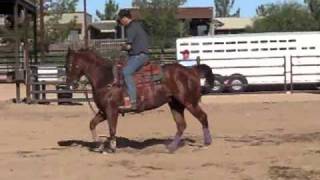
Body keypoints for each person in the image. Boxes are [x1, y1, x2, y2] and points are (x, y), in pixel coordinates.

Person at [117, 9, 150, 110]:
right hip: (136, 55)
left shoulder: (131, 28)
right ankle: (125, 97)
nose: (120, 22)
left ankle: (133, 101)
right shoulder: (137, 25)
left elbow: (129, 47)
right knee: (119, 67)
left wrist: (122, 47)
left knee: (126, 72)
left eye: (121, 19)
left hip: (139, 56)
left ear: (125, 18)